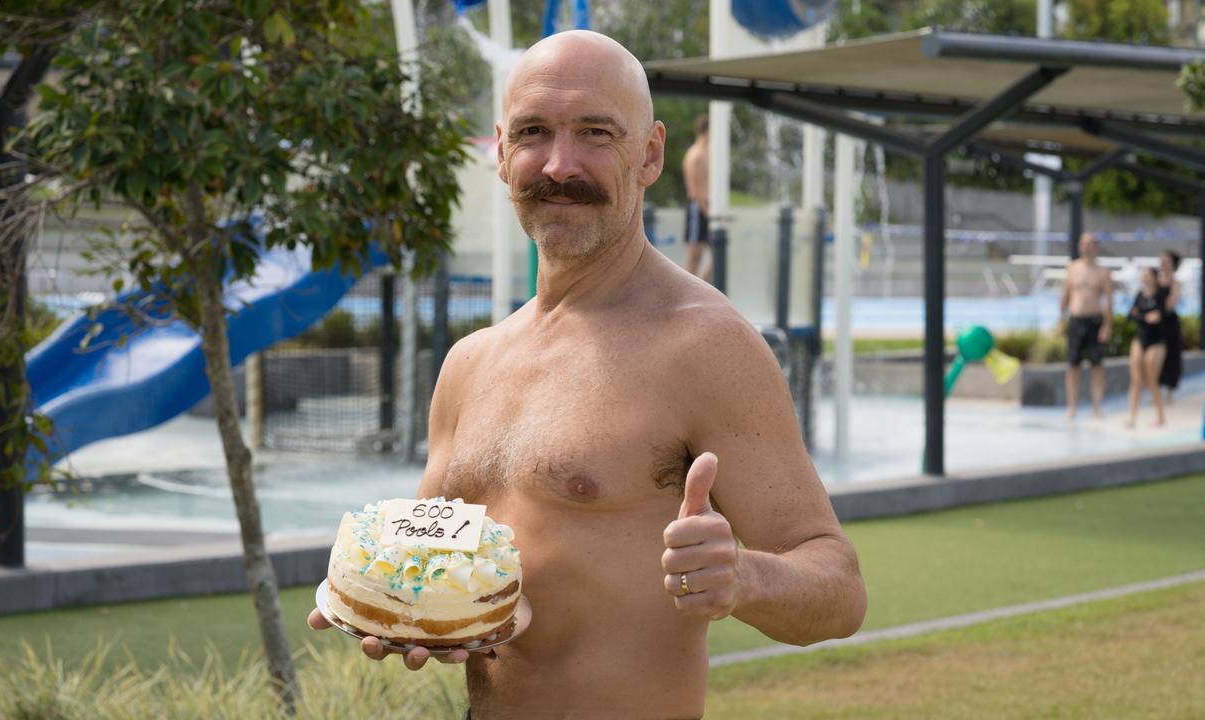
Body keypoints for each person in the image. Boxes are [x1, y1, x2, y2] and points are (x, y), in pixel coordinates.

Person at [309, 30, 866, 719]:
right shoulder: (470, 362)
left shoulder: (703, 344)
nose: (559, 164)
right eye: (533, 132)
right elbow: (442, 561)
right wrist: (396, 606)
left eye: (596, 133)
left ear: (651, 154)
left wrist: (743, 577)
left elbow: (837, 590)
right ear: (502, 151)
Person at [1059, 233, 1114, 418]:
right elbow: (1066, 295)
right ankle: (1072, 407)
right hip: (1076, 320)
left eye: (1090, 243)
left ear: (1097, 247)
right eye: (1084, 243)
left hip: (1095, 321)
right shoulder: (1073, 269)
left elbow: (1108, 300)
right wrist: (1061, 318)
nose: (1087, 247)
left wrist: (1107, 325)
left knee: (1096, 367)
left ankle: (1097, 407)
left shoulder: (1103, 271)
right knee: (1073, 366)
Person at [1127, 266, 1169, 427]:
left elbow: (1158, 317)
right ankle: (1132, 417)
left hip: (1156, 342)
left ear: (1154, 277)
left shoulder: (1160, 295)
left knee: (1152, 381)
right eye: (1143, 274)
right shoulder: (1139, 295)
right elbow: (1131, 315)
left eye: (1147, 274)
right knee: (1136, 381)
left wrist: (1140, 315)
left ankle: (1160, 417)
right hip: (1140, 338)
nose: (1144, 277)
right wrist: (1145, 317)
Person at [681, 114, 712, 281]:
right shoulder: (695, 155)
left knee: (716, 255)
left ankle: (702, 290)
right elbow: (695, 190)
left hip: (706, 206)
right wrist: (707, 213)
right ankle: (687, 299)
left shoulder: (707, 154)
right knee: (694, 257)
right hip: (698, 207)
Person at [1157, 250, 1183, 403]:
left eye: (1165, 261)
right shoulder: (1156, 280)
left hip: (1169, 324)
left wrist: (1155, 307)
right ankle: (1156, 389)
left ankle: (1169, 392)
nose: (1162, 264)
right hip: (1157, 324)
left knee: (1171, 356)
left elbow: (1170, 304)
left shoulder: (1175, 283)